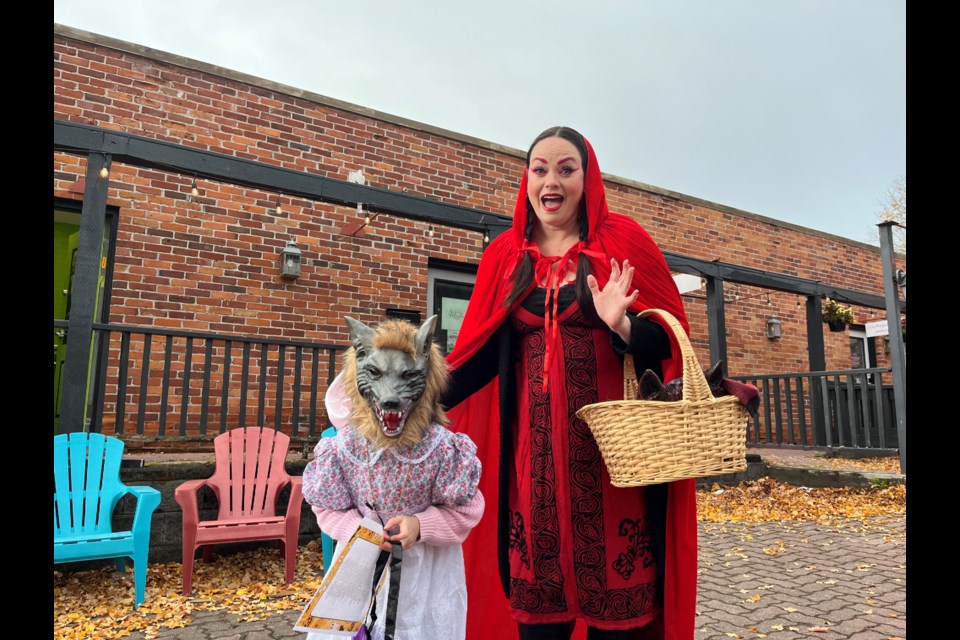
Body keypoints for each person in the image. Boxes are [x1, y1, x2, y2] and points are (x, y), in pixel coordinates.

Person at [442, 126, 697, 640]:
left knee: (619, 624)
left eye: (566, 168)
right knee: (539, 622)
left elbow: (669, 342)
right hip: (532, 481)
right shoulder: (505, 257)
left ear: (588, 177)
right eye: (540, 169)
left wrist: (621, 324)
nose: (551, 181)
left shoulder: (623, 241)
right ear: (527, 179)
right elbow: (479, 357)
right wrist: (401, 400)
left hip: (616, 474)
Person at [302, 316, 485, 640]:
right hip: (359, 573)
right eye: (376, 374)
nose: (390, 395)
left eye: (405, 375)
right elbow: (326, 507)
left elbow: (467, 511)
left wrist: (422, 525)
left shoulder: (442, 450)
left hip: (426, 577)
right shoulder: (344, 448)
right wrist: (354, 529)